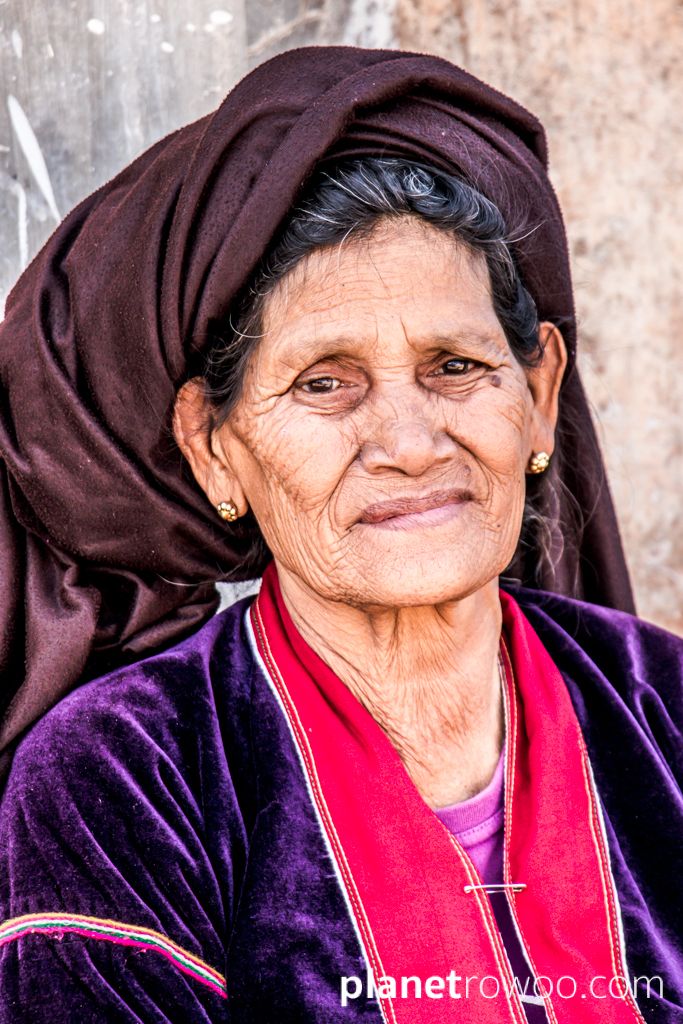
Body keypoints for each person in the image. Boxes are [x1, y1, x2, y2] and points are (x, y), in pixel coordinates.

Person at [0, 45, 680, 1024]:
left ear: (537, 397)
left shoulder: (662, 706)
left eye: (454, 366)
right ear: (214, 447)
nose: (409, 444)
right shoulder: (123, 777)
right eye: (324, 383)